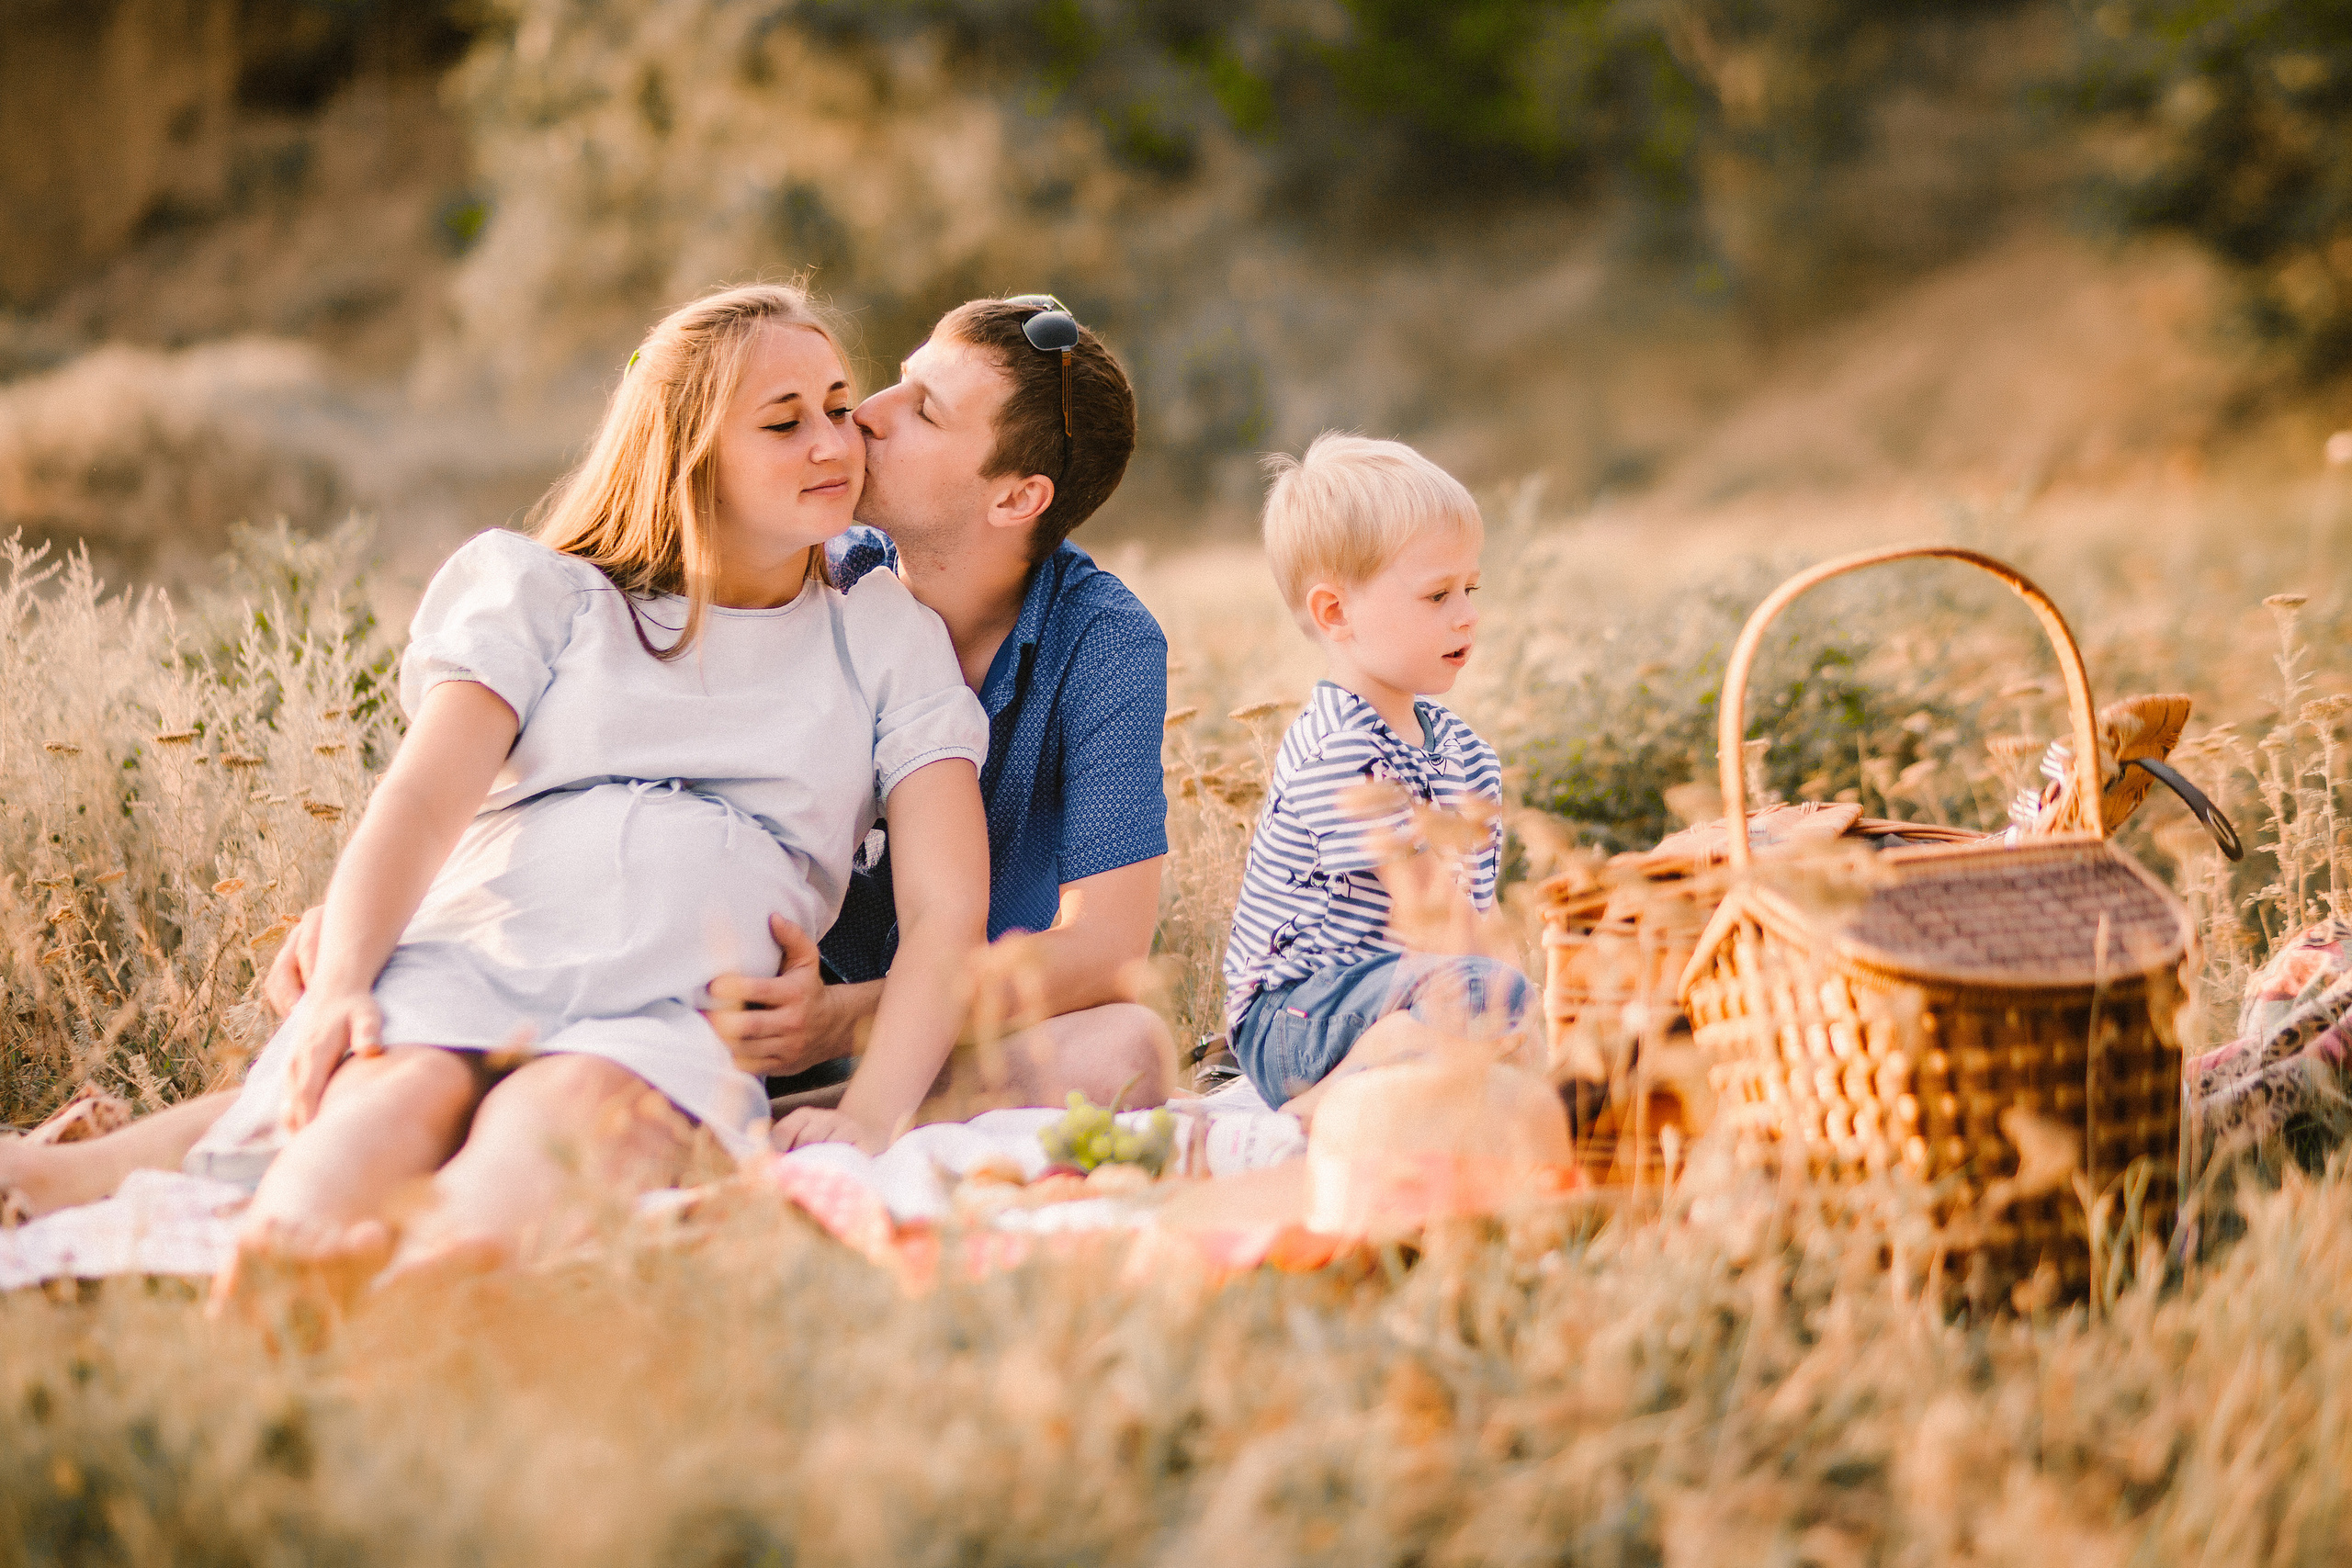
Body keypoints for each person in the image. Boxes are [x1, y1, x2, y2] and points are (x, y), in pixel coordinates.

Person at [0, 291, 1176, 1220]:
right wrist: (363, 930)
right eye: (864, 390)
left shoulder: (1076, 643)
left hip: (816, 1019)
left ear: (1015, 497)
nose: (862, 417)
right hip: (654, 972)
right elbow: (477, 774)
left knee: (1122, 1047)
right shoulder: (810, 554)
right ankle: (127, 1180)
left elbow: (1098, 943)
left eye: (917, 409)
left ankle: (760, 1133)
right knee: (415, 1057)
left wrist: (846, 1029)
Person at [202, 281, 992, 1295]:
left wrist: (871, 1113)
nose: (834, 443)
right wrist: (344, 982)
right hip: (481, 946)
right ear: (689, 452)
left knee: (571, 1112)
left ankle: (429, 1279)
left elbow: (945, 908)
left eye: (840, 408)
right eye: (784, 423)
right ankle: (285, 1259)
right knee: (398, 1086)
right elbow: (421, 802)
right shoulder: (548, 593)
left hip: (670, 1006)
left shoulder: (880, 637)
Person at [1220, 433, 1532, 1118]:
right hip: (1296, 1017)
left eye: (1471, 588)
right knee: (1490, 1004)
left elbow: (1477, 916)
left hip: (1411, 990)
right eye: (1438, 595)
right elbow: (1433, 915)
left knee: (1491, 1012)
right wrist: (1526, 1006)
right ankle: (1311, 1112)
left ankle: (1424, 1082)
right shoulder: (1338, 750)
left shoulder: (1465, 753)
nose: (1467, 614)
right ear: (1336, 613)